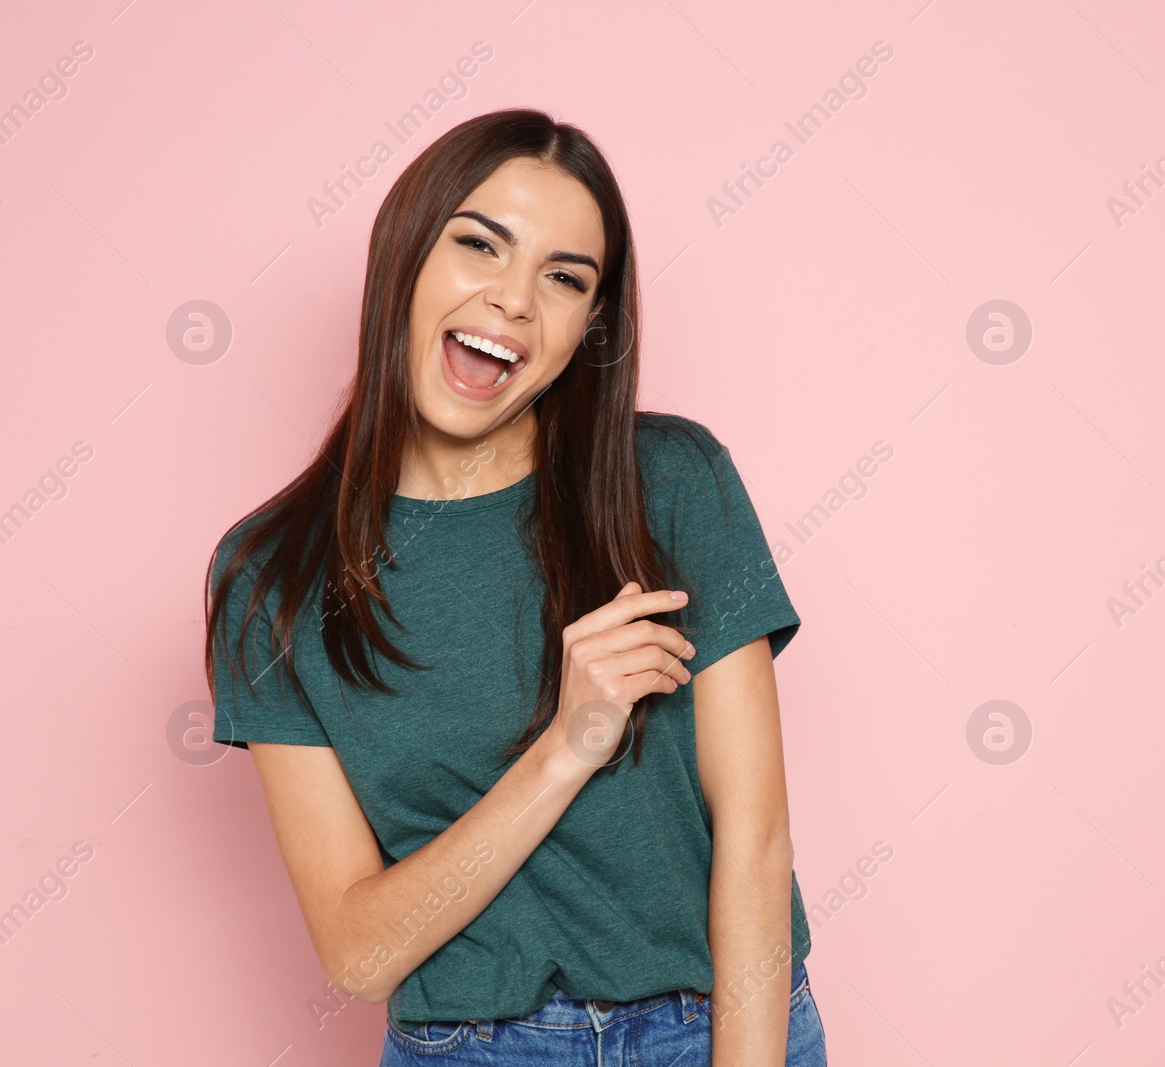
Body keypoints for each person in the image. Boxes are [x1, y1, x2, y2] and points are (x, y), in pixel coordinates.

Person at [203, 107, 826, 1066]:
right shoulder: (271, 581)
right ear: (405, 258)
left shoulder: (671, 484)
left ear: (589, 326)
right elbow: (361, 953)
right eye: (479, 246)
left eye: (564, 277)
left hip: (720, 1030)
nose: (515, 301)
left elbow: (756, 838)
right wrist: (568, 746)